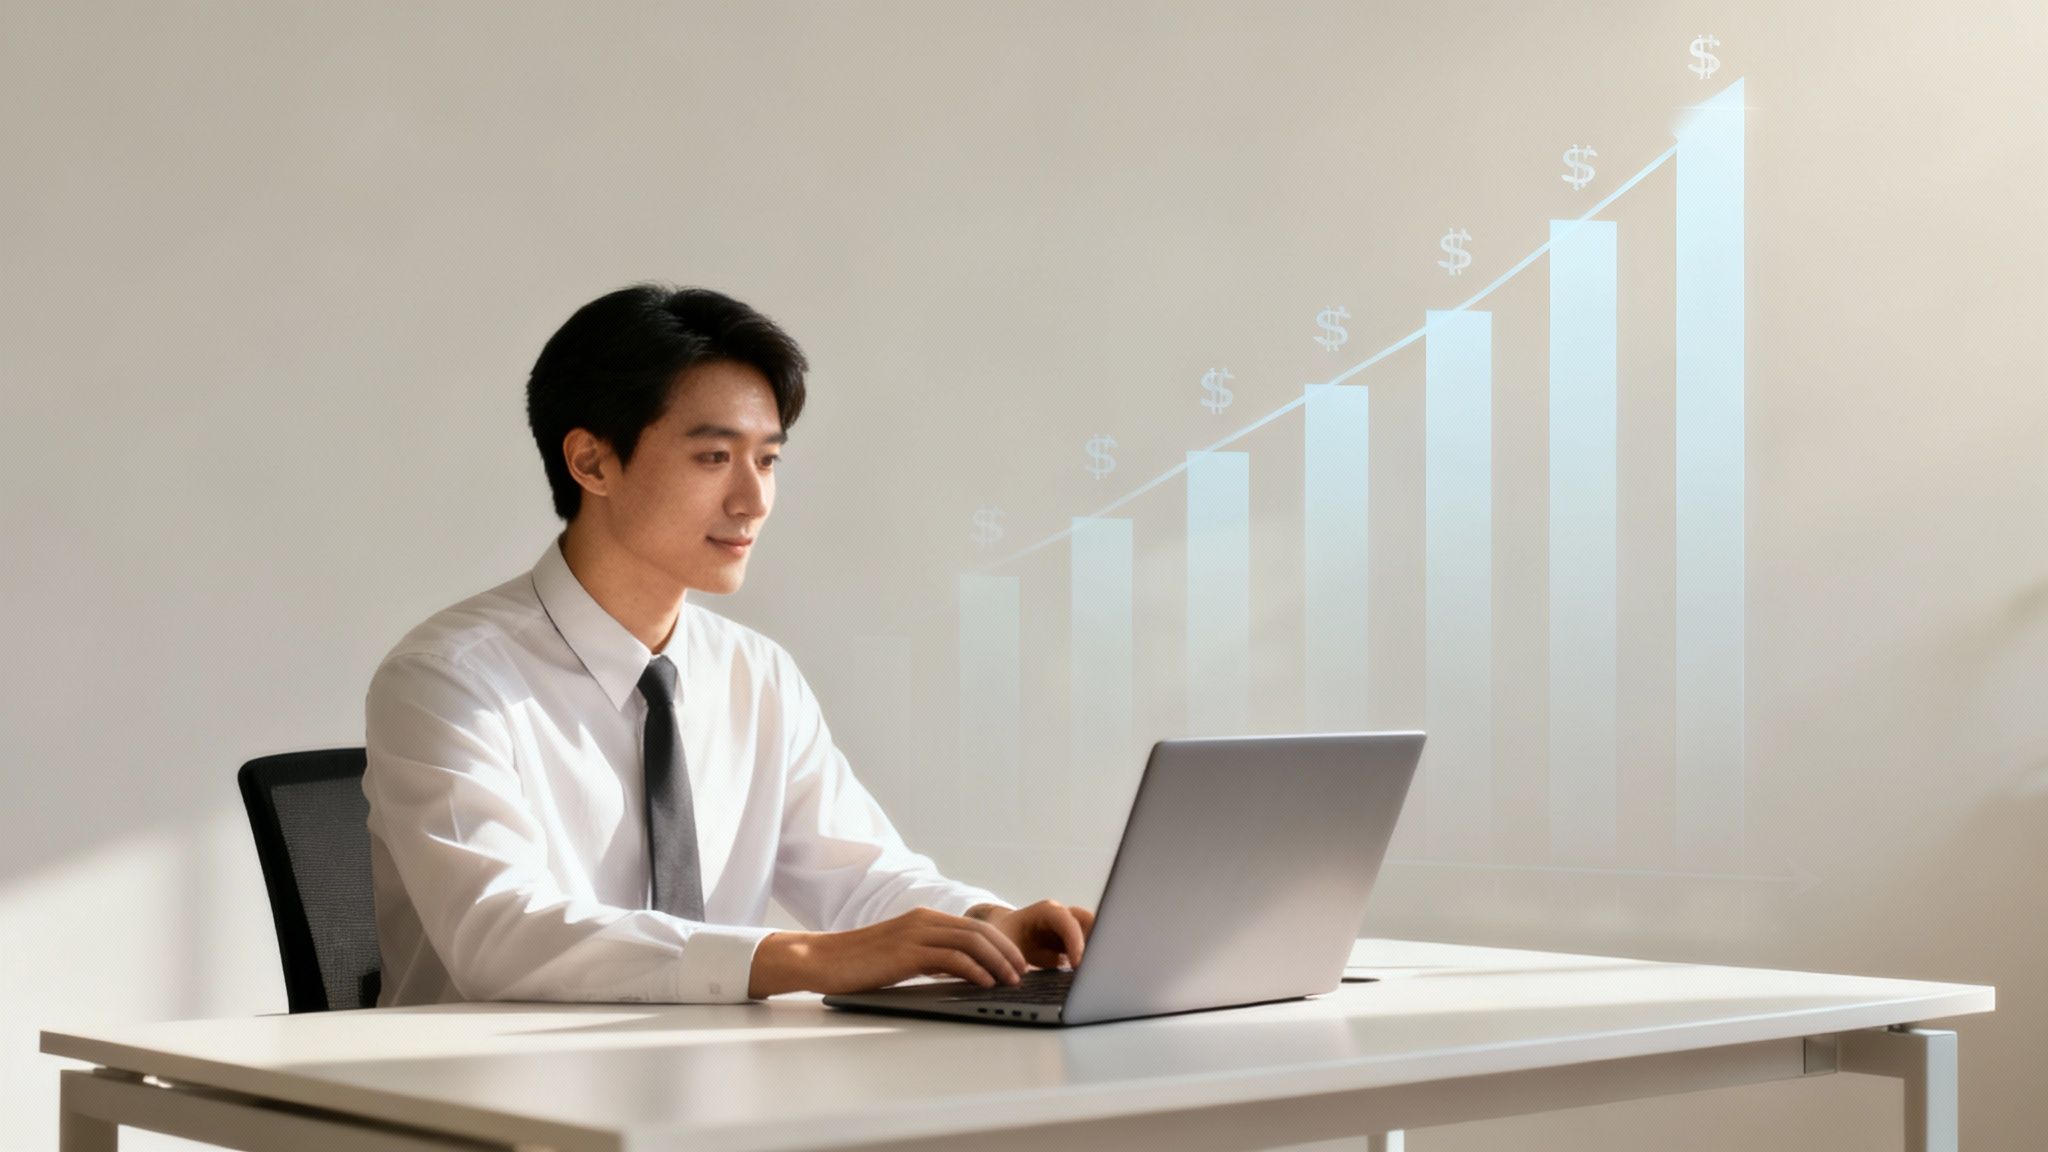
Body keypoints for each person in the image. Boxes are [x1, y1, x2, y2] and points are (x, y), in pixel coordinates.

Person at [363, 283, 1092, 1006]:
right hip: (497, 1075)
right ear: (591, 462)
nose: (753, 500)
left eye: (767, 460)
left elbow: (860, 875)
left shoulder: (756, 674)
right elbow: (500, 933)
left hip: (720, 1069)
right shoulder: (448, 680)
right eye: (715, 457)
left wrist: (986, 924)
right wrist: (798, 956)